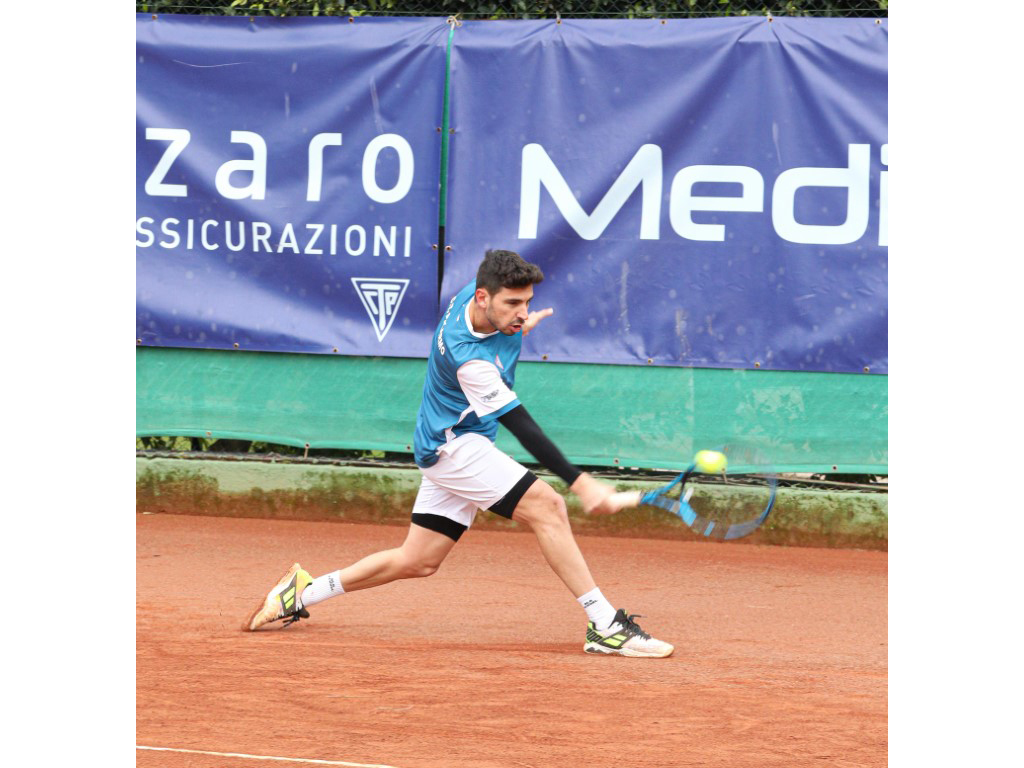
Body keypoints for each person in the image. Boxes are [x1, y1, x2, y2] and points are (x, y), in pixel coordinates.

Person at [246, 249, 673, 657]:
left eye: (526, 302)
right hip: (454, 446)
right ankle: (605, 625)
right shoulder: (470, 359)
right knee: (548, 506)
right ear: (483, 298)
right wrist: (583, 484)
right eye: (512, 304)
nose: (521, 311)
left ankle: (300, 593)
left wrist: (519, 324)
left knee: (418, 561)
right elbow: (521, 426)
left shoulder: (481, 293)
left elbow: (503, 300)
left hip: (449, 438)